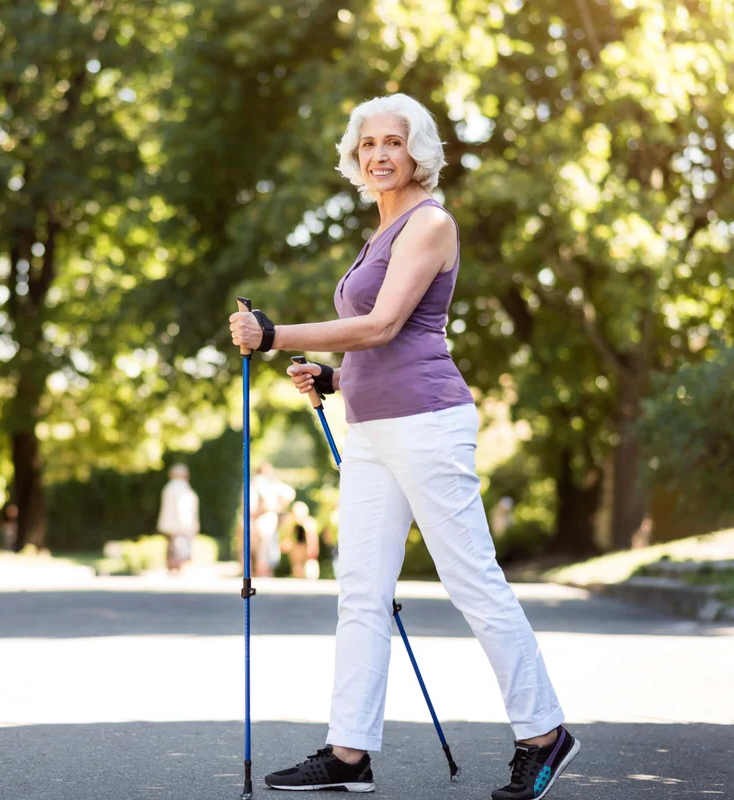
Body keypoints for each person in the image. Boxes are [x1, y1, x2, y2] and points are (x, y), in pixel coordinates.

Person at [228, 93, 579, 800]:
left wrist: (275, 337)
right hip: (370, 429)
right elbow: (373, 344)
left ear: (419, 151)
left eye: (394, 142)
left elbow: (387, 326)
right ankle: (350, 753)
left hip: (427, 423)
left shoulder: (430, 224)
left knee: (471, 580)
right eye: (368, 145)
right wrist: (331, 377)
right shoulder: (379, 233)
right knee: (360, 591)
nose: (381, 154)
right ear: (356, 159)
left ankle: (544, 734)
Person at [251, 462, 295, 577]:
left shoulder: (263, 483)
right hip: (264, 520)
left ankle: (262, 576)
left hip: (263, 519)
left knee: (262, 551)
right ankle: (263, 576)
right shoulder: (263, 482)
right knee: (263, 551)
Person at [156, 463, 200, 574]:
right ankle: (176, 569)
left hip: (170, 525)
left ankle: (172, 569)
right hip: (180, 526)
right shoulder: (181, 488)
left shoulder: (169, 487)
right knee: (179, 549)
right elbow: (183, 509)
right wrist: (189, 526)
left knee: (172, 549)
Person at [287, 501, 321, 580]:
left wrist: (312, 549)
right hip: (297, 547)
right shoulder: (292, 523)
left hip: (306, 547)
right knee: (297, 568)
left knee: (310, 568)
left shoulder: (309, 523)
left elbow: (312, 538)